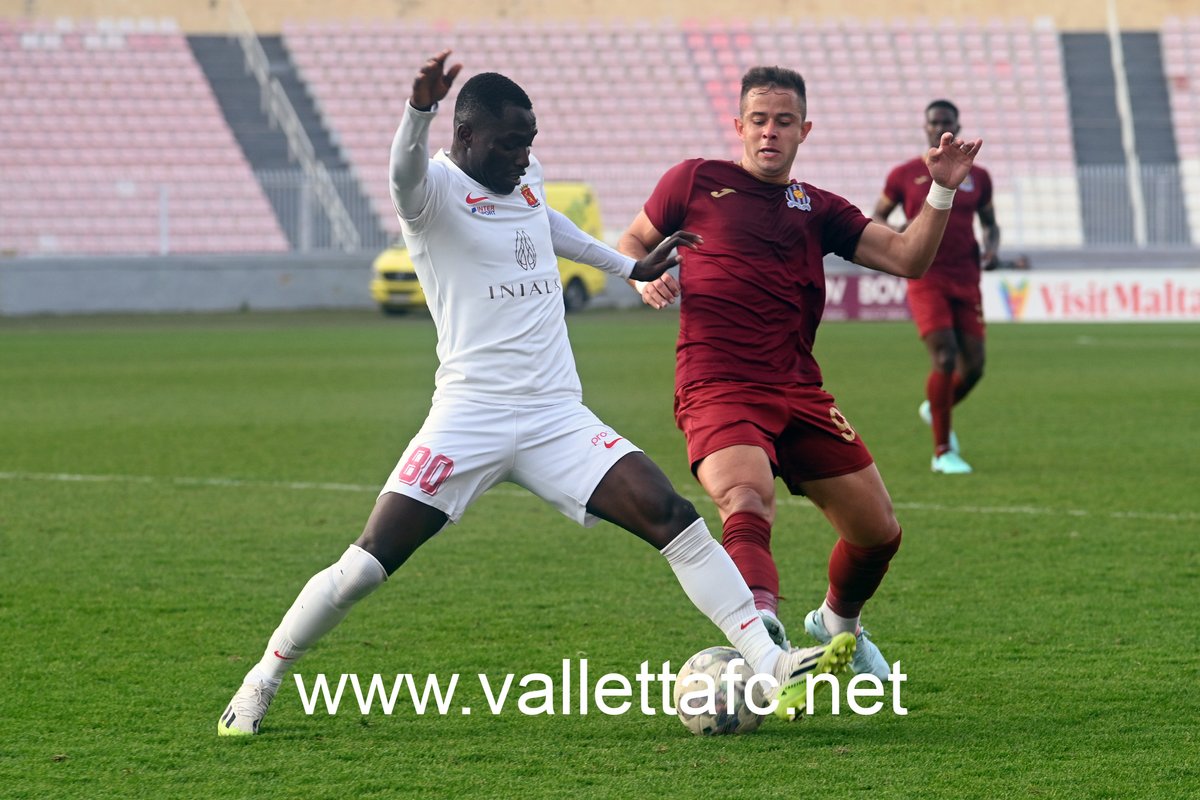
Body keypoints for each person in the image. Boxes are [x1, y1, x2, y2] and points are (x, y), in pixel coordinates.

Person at [217, 52, 856, 736]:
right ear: (464, 139)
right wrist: (418, 111)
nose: (524, 155)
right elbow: (401, 171)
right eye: (509, 143)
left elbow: (546, 224)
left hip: (556, 416)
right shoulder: (430, 192)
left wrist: (626, 265)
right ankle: (262, 679)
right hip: (469, 416)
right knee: (365, 567)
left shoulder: (524, 181)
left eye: (531, 141)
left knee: (670, 513)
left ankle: (769, 659)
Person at [619, 66, 982, 678]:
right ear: (738, 125)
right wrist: (644, 273)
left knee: (878, 533)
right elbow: (633, 239)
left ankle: (837, 624)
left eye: (783, 122)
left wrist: (940, 191)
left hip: (798, 388)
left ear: (803, 130)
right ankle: (762, 635)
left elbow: (908, 258)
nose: (769, 133)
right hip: (717, 384)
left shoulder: (817, 207)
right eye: (758, 121)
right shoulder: (694, 181)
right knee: (746, 498)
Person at [873, 100, 1000, 475]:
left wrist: (992, 248)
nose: (939, 127)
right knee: (944, 357)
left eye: (945, 122)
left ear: (956, 125)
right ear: (925, 127)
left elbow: (990, 223)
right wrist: (899, 237)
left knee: (973, 366)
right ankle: (943, 451)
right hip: (925, 274)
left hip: (966, 277)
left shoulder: (979, 176)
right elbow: (879, 213)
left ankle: (936, 405)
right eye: (933, 122)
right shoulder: (904, 174)